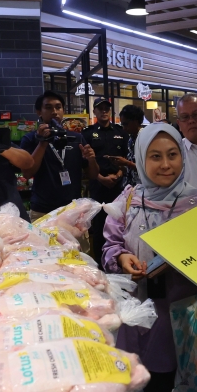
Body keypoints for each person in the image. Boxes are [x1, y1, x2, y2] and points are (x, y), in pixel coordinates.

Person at [101, 123, 197, 392]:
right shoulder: (129, 199)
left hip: (188, 314)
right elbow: (111, 243)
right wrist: (122, 257)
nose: (165, 164)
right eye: (155, 156)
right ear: (140, 159)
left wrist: (180, 262)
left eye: (172, 155)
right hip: (146, 316)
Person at [20, 91, 98, 221]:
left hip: (73, 209)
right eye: (48, 107)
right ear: (39, 112)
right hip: (42, 210)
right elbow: (27, 173)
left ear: (63, 110)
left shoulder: (76, 138)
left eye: (58, 107)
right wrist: (43, 142)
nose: (54, 112)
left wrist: (91, 159)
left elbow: (93, 175)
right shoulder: (30, 139)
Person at [84, 97, 127, 266]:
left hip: (118, 186)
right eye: (100, 108)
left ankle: (117, 261)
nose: (104, 111)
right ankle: (100, 264)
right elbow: (85, 163)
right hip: (98, 185)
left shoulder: (120, 132)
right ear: (94, 111)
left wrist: (119, 174)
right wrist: (101, 178)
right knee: (99, 225)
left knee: (119, 223)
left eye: (106, 108)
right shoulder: (87, 134)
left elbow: (126, 157)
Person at [104, 104, 144, 188]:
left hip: (143, 187)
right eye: (122, 124)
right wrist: (121, 166)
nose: (124, 128)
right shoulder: (131, 138)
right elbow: (131, 167)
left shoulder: (145, 138)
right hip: (131, 186)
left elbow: (148, 169)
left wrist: (127, 163)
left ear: (135, 121)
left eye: (126, 124)